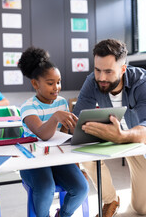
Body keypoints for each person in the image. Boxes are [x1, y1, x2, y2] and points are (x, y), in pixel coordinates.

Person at [73, 38, 146, 217]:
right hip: (114, 138)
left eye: (108, 71)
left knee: (141, 209)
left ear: (123, 69)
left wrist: (122, 136)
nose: (101, 77)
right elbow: (77, 121)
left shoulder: (141, 82)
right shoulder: (93, 81)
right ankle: (110, 199)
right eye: (98, 70)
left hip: (138, 143)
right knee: (83, 148)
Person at [18, 46, 89, 217]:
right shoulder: (28, 107)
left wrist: (75, 131)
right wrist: (56, 117)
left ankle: (62, 215)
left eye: (59, 82)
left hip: (57, 158)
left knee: (81, 187)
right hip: (33, 161)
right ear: (35, 84)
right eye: (50, 83)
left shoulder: (61, 103)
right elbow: (42, 133)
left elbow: (62, 137)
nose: (56, 87)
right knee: (45, 188)